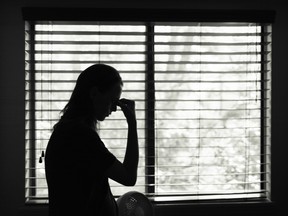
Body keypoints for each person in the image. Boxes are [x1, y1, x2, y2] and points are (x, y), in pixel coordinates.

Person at [45, 64, 139, 216]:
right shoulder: (79, 136)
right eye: (112, 101)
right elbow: (128, 177)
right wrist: (132, 123)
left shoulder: (70, 130)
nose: (115, 109)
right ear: (94, 93)